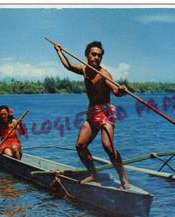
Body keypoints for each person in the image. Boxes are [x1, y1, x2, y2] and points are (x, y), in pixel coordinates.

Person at [53, 41, 131, 189]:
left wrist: (121, 90)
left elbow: (115, 91)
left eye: (99, 56)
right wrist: (59, 51)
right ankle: (93, 173)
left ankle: (123, 178)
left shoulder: (104, 74)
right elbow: (69, 66)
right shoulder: (84, 69)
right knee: (80, 145)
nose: (96, 58)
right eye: (93, 54)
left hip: (106, 112)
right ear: (87, 55)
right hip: (92, 112)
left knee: (107, 146)